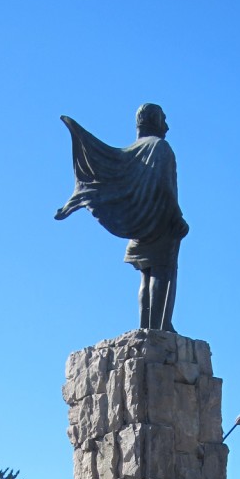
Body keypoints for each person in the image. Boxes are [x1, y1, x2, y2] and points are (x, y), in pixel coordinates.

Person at [55, 103, 188, 332]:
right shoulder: (160, 147)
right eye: (163, 120)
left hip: (139, 222)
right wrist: (178, 218)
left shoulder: (131, 152)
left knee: (146, 274)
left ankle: (145, 326)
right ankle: (159, 327)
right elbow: (166, 187)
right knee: (162, 272)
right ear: (154, 121)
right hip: (162, 221)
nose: (166, 127)